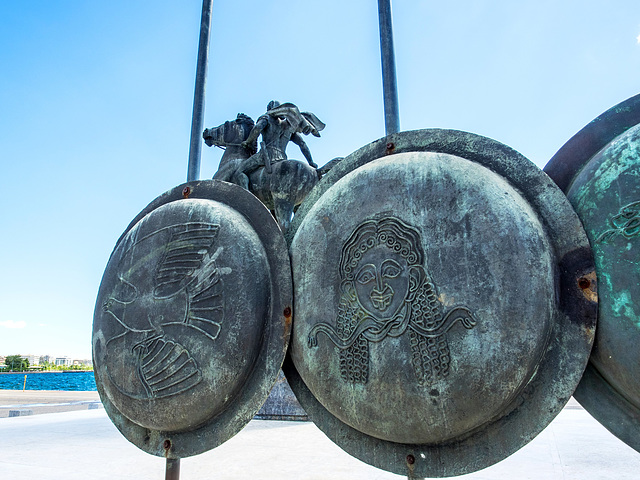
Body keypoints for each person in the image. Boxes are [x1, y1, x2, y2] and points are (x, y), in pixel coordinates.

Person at [232, 100, 325, 190]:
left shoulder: (266, 118)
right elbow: (302, 144)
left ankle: (248, 199)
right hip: (282, 158)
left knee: (239, 172)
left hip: (265, 156)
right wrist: (310, 162)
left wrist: (248, 141)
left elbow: (257, 128)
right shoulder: (289, 127)